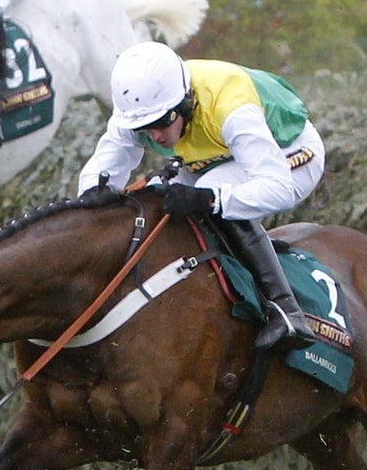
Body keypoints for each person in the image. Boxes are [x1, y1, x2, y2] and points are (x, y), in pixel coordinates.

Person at [76, 41, 324, 353]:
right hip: (217, 155)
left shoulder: (231, 108)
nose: (154, 136)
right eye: (143, 127)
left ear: (185, 102)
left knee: (211, 198)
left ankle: (286, 312)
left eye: (162, 122)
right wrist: (93, 199)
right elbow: (100, 176)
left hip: (289, 152)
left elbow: (278, 189)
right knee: (153, 195)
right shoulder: (138, 106)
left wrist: (209, 200)